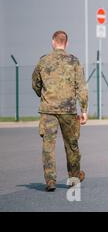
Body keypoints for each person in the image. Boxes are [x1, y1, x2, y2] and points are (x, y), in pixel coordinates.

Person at [32, 31, 88, 192]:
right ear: (66, 43)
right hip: (68, 110)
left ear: (53, 42)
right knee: (71, 145)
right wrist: (83, 109)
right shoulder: (74, 61)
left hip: (48, 109)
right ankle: (74, 178)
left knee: (48, 145)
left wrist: (43, 95)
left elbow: (35, 83)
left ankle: (50, 180)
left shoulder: (43, 61)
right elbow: (82, 88)